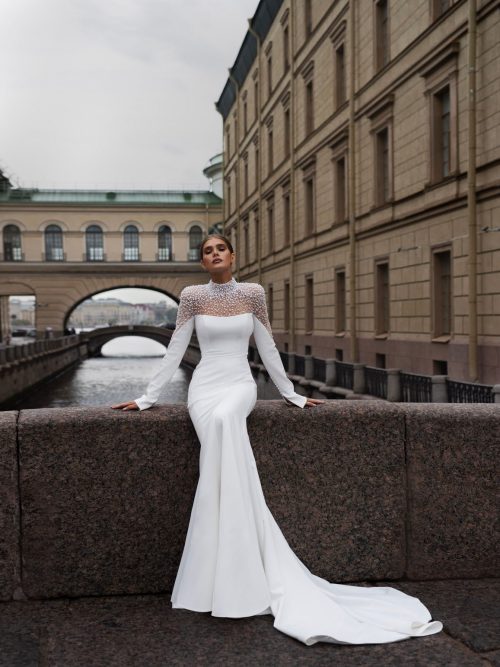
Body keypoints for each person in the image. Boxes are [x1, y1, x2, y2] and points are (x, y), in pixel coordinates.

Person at [112, 233, 442, 646]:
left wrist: (290, 392)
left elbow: (266, 344)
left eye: (220, 249)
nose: (214, 255)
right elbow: (176, 348)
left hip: (238, 384)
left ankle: (234, 568)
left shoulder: (253, 293)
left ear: (233, 255)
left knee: (226, 422)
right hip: (203, 387)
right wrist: (147, 398)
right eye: (206, 252)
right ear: (203, 263)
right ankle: (228, 565)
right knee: (216, 433)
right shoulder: (192, 296)